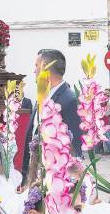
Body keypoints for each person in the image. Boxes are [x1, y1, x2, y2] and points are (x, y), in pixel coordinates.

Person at [22, 49, 83, 182]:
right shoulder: (43, 96)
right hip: (36, 176)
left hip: (55, 179)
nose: (34, 71)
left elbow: (74, 145)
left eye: (36, 66)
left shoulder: (69, 100)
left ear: (46, 69)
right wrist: (25, 177)